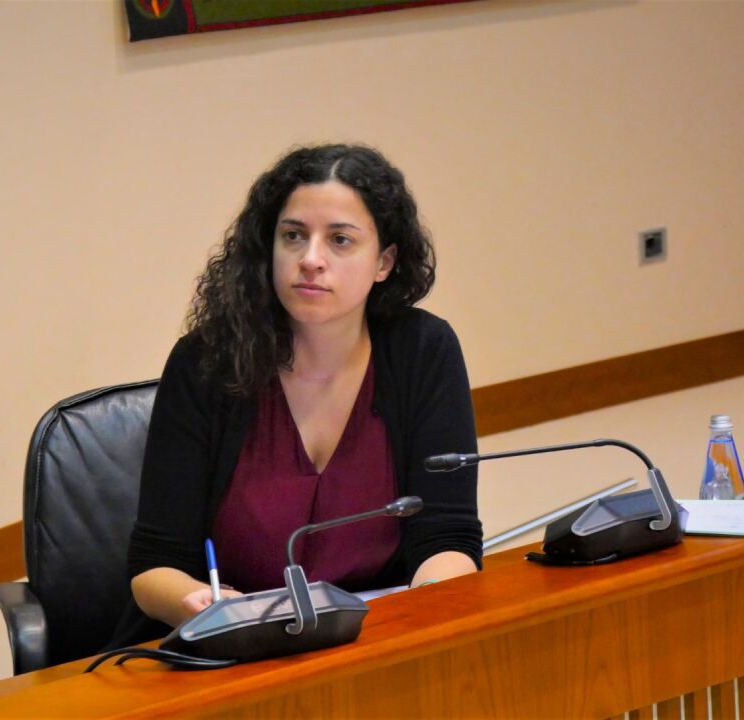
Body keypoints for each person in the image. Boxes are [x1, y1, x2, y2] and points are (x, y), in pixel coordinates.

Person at [109, 144, 481, 648]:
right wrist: (205, 606)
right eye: (293, 236)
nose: (310, 260)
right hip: (229, 648)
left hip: (379, 641)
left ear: (384, 262)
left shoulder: (423, 351)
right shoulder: (207, 362)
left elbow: (448, 537)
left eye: (340, 240)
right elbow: (155, 566)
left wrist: (428, 607)